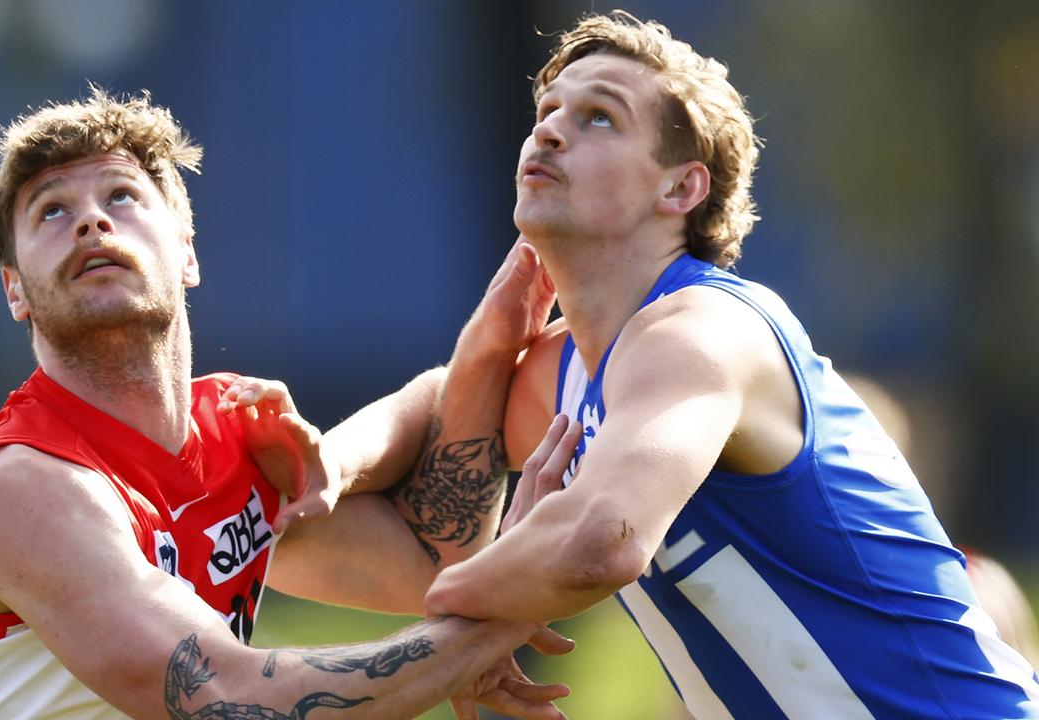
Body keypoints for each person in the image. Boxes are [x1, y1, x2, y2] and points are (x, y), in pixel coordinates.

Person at [0, 88, 570, 719]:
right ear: (15, 292)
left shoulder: (231, 435)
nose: (90, 220)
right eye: (51, 210)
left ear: (186, 253)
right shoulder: (16, 486)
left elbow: (428, 558)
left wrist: (476, 359)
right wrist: (496, 621)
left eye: (121, 196)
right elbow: (226, 700)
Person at [424, 11, 1039, 718]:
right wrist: (306, 467)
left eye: (598, 117)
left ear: (681, 190)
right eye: (548, 110)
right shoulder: (575, 373)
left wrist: (463, 615)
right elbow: (419, 469)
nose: (550, 131)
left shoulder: (699, 332)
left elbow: (600, 543)